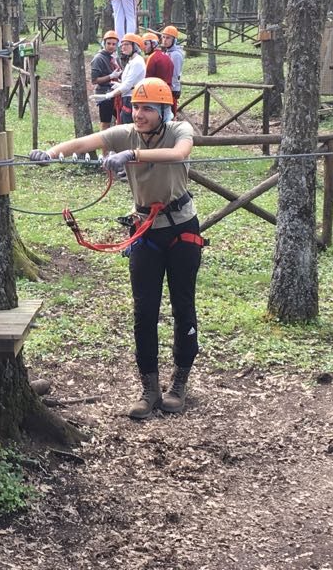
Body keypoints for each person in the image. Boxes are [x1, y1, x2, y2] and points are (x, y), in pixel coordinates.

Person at [29, 78, 202, 419]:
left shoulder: (179, 130)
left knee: (183, 305)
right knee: (144, 311)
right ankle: (149, 388)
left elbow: (179, 153)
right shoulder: (127, 133)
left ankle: (179, 382)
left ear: (164, 111)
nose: (139, 114)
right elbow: (86, 141)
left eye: (147, 108)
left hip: (181, 228)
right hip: (146, 232)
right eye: (135, 107)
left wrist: (132, 155)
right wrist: (51, 153)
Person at [90, 30, 123, 130]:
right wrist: (110, 76)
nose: (111, 46)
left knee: (121, 119)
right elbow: (94, 80)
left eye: (114, 44)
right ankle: (103, 139)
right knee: (105, 122)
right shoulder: (98, 58)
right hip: (104, 93)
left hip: (115, 92)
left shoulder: (114, 57)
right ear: (104, 43)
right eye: (108, 43)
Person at [113, 32, 146, 124]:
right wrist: (119, 84)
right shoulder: (131, 61)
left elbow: (128, 85)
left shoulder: (137, 62)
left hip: (132, 98)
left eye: (127, 44)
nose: (123, 47)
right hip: (127, 97)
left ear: (135, 46)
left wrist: (109, 95)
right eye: (122, 45)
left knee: (127, 126)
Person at [160, 24, 185, 105]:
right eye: (163, 37)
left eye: (168, 38)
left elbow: (175, 74)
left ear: (174, 40)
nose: (165, 40)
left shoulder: (176, 55)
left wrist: (173, 88)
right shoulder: (167, 52)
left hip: (172, 89)